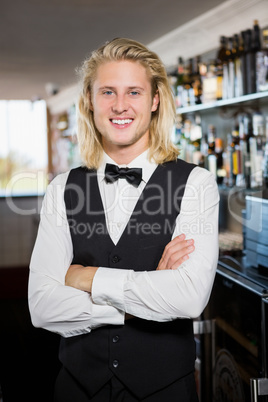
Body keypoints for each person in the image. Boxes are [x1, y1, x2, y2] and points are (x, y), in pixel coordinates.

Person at [28, 37, 219, 402]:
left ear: (154, 101)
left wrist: (86, 278)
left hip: (166, 391)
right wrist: (144, 302)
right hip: (77, 390)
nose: (120, 105)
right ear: (89, 101)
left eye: (134, 92)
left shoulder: (196, 183)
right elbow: (42, 308)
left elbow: (189, 299)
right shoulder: (61, 188)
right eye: (107, 92)